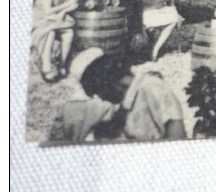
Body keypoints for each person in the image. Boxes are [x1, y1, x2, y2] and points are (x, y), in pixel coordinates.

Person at [50, 48, 186, 142]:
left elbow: (177, 139)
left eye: (99, 93)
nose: (101, 98)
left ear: (105, 83)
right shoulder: (127, 96)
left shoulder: (154, 89)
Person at [32, 0, 80, 82]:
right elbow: (47, 10)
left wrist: (64, 11)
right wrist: (66, 5)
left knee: (69, 33)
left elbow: (75, 4)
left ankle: (62, 65)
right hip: (41, 17)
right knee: (51, 32)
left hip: (58, 17)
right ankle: (46, 67)